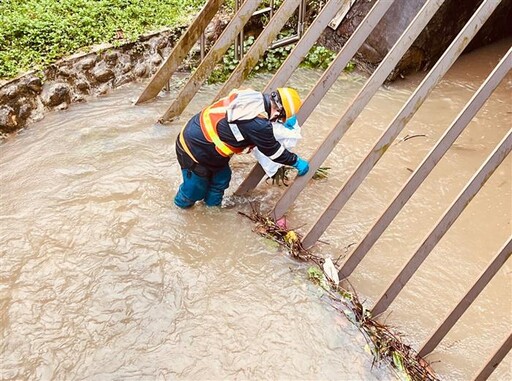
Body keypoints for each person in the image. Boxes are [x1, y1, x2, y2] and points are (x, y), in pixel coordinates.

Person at [174, 87, 310, 208]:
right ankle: (180, 210)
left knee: (222, 178)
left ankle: (211, 211)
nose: (280, 122)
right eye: (282, 118)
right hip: (193, 148)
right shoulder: (259, 125)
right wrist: (296, 162)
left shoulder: (254, 96)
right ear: (278, 111)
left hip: (204, 140)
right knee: (194, 190)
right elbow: (274, 152)